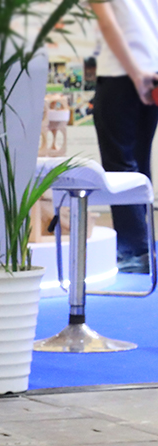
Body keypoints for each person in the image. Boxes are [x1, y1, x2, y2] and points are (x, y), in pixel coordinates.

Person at [91, 0, 158, 273]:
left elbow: (107, 22)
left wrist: (135, 73)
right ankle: (143, 247)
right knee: (139, 162)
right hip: (152, 68)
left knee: (120, 163)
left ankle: (134, 250)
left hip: (122, 73)